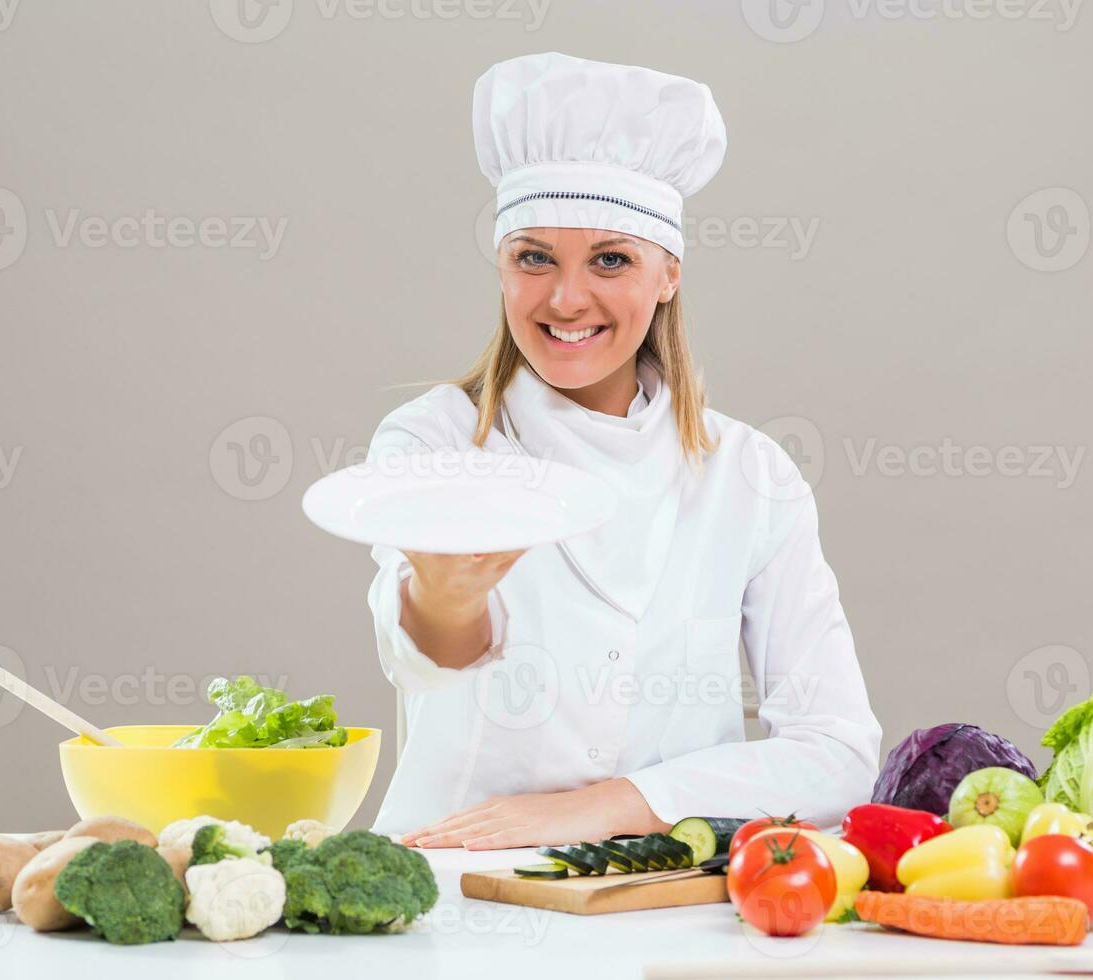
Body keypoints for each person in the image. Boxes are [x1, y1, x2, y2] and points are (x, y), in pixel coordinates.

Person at [365, 52, 880, 848]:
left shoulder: (749, 475)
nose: (566, 299)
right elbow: (429, 657)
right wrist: (448, 599)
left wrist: (618, 803)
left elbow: (839, 750)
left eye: (611, 259)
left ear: (669, 272)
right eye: (533, 257)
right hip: (451, 888)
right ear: (502, 265)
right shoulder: (436, 441)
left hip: (662, 893)